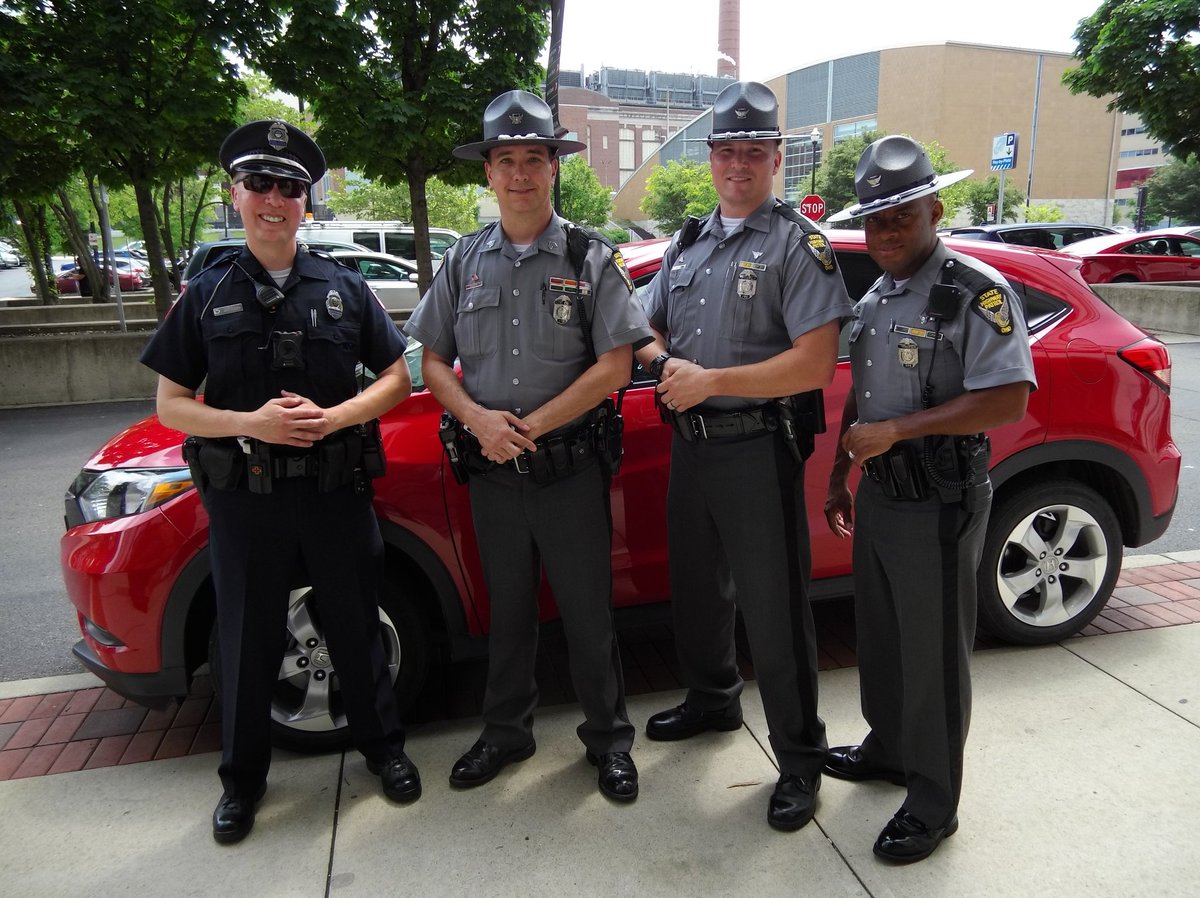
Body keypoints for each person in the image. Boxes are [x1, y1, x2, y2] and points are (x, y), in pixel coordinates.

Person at [139, 120, 420, 845]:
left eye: (289, 188)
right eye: (259, 184)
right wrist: (250, 423)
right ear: (237, 195)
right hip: (247, 502)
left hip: (334, 491)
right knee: (247, 641)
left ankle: (384, 751)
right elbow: (170, 405)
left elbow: (395, 379)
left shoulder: (345, 287)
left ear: (307, 202)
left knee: (357, 627)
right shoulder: (203, 295)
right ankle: (242, 784)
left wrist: (334, 418)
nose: (274, 200)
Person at [404, 90, 653, 802]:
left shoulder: (588, 256)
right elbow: (430, 362)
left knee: (587, 612)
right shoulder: (463, 262)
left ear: (555, 169)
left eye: (534, 160)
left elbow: (615, 364)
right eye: (505, 160)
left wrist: (533, 425)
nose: (520, 174)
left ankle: (608, 742)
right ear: (488, 173)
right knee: (506, 611)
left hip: (568, 469)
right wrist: (481, 421)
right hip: (491, 472)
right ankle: (506, 732)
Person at [635, 80, 851, 831]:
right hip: (690, 448)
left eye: (754, 151)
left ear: (775, 159)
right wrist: (667, 366)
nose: (739, 164)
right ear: (712, 157)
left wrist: (712, 380)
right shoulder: (689, 243)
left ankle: (801, 758)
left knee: (775, 609)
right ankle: (712, 698)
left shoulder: (797, 245)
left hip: (759, 450)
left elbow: (816, 363)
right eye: (727, 150)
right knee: (697, 589)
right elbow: (645, 327)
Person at [823, 135, 1037, 862]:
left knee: (936, 656)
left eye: (901, 217)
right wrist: (838, 476)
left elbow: (1007, 398)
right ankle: (888, 749)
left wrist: (898, 431)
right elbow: (865, 393)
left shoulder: (973, 291)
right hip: (883, 494)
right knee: (881, 639)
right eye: (875, 219)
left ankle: (934, 802)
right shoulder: (880, 293)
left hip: (941, 497)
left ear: (934, 211)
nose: (885, 233)